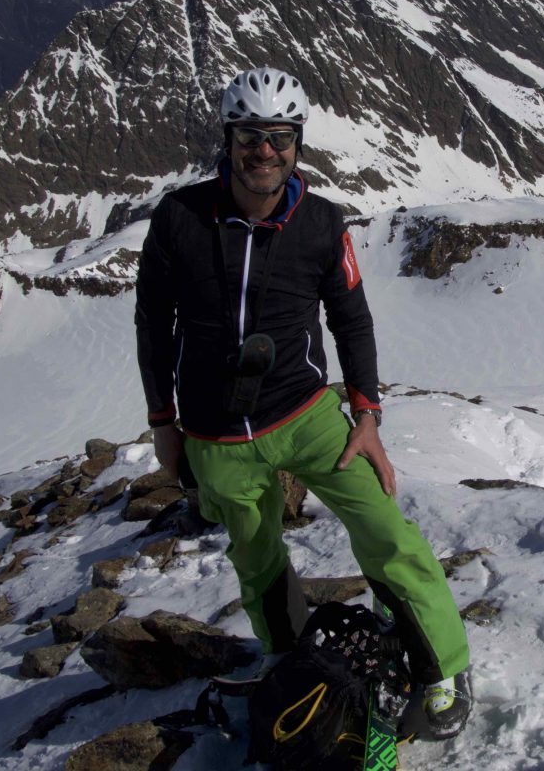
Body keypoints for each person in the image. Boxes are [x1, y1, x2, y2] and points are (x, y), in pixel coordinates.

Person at [135, 66, 472, 739]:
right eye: (251, 135)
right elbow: (153, 324)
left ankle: (446, 667)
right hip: (215, 432)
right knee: (255, 555)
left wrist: (368, 417)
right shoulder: (178, 218)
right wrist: (163, 426)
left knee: (383, 530)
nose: (265, 150)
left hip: (309, 414)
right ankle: (285, 658)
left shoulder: (320, 223)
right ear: (229, 139)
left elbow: (352, 318)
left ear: (298, 142)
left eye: (280, 136)